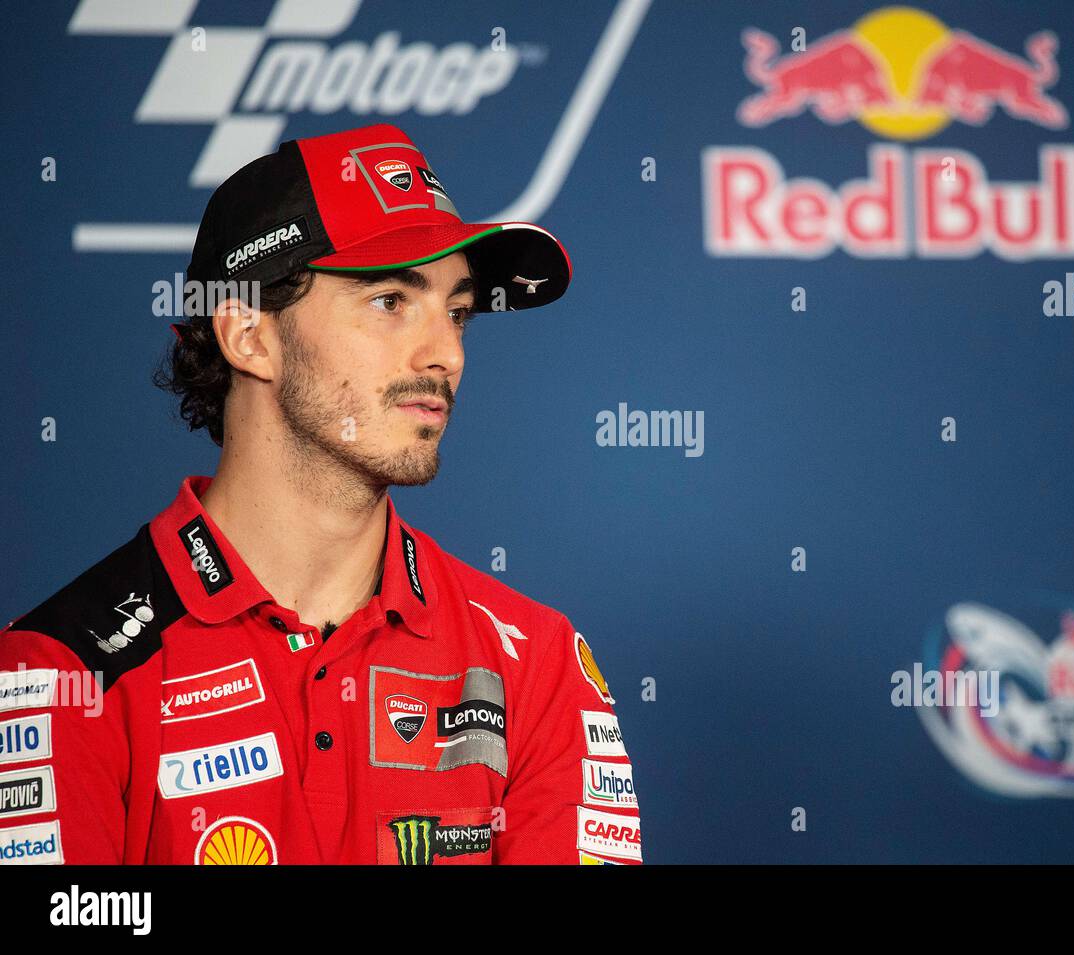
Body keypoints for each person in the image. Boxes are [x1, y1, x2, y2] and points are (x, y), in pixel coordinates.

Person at [0, 124, 641, 865]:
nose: (447, 353)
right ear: (248, 333)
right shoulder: (62, 671)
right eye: (391, 300)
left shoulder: (541, 664)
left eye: (457, 311)